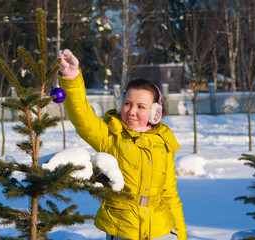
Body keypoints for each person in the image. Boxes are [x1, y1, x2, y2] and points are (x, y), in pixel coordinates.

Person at [57, 49, 187, 240]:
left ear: (155, 112)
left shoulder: (163, 142)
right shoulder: (110, 136)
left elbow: (170, 195)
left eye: (141, 107)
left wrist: (181, 236)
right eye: (127, 103)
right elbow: (82, 118)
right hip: (123, 230)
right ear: (120, 103)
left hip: (162, 230)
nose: (132, 111)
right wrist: (71, 77)